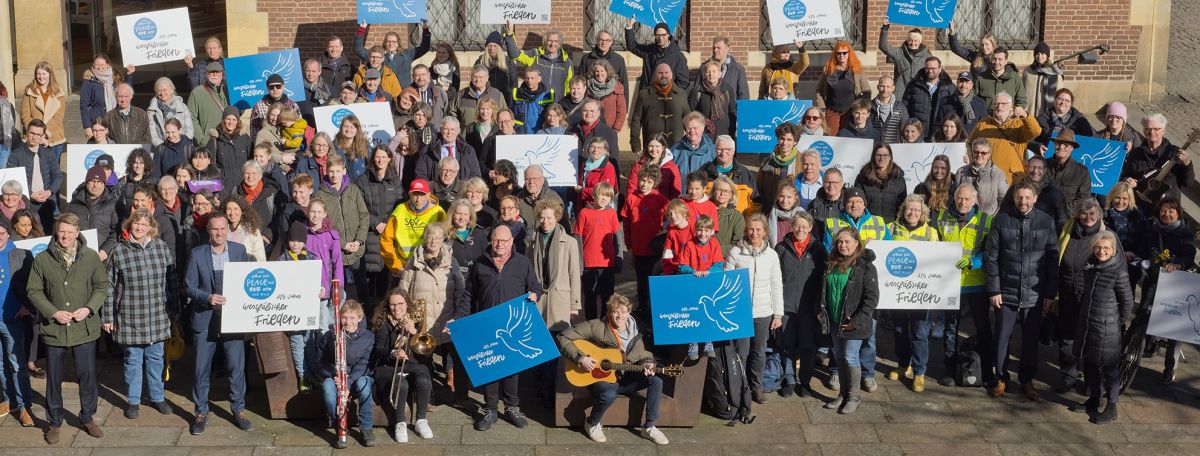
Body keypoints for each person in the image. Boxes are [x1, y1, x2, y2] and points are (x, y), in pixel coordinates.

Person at [452, 224, 543, 431]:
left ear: (511, 242)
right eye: (496, 240)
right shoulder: (480, 264)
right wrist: (458, 317)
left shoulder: (522, 263)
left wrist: (535, 295)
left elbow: (535, 286)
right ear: (491, 240)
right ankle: (490, 409)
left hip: (512, 325)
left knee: (512, 368)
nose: (500, 244)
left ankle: (512, 407)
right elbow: (468, 295)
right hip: (487, 324)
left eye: (504, 240)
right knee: (490, 368)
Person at [29, 214, 108, 444]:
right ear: (56, 232)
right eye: (61, 231)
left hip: (84, 328)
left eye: (69, 232)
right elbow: (34, 291)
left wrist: (89, 308)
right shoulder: (42, 259)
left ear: (77, 233)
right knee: (53, 378)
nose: (65, 236)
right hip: (54, 329)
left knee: (87, 375)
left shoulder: (91, 258)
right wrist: (52, 312)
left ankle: (87, 417)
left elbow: (101, 286)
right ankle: (54, 421)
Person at [557, 294, 669, 445]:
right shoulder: (597, 326)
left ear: (629, 311)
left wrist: (649, 363)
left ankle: (649, 427)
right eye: (616, 311)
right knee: (609, 394)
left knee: (656, 380)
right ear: (609, 312)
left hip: (626, 379)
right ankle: (592, 422)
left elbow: (644, 355)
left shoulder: (638, 332)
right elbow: (563, 337)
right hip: (600, 377)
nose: (620, 315)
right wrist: (581, 358)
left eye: (623, 311)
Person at [984, 181, 1059, 401]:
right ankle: (1000, 378)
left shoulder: (1046, 222)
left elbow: (1052, 260)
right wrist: (994, 289)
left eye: (1027, 197)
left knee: (1030, 340)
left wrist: (1049, 294)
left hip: (1035, 293)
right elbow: (991, 257)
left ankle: (1026, 379)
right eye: (1019, 197)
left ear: (1035, 198)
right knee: (1002, 338)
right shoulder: (1002, 219)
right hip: (1005, 290)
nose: (1023, 201)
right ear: (1014, 197)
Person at [103, 208, 176, 419]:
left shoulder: (161, 248)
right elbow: (109, 286)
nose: (140, 228)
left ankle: (157, 397)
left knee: (156, 359)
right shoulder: (118, 251)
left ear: (150, 227)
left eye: (144, 225)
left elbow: (172, 281)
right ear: (129, 225)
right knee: (133, 360)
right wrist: (108, 317)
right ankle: (133, 401)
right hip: (129, 316)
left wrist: (175, 311)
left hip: (157, 315)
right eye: (136, 223)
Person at [184, 212, 253, 435]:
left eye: (223, 229)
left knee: (236, 366)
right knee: (201, 369)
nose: (219, 233)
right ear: (209, 231)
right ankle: (201, 412)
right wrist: (207, 297)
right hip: (206, 317)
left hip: (232, 317)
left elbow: (247, 281)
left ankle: (238, 409)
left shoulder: (239, 251)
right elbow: (189, 286)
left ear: (227, 230)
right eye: (215, 229)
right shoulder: (197, 254)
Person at [1067, 231, 1133, 423]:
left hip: (1107, 327)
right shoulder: (1091, 267)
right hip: (1088, 324)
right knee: (1091, 364)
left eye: (1106, 248)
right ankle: (1094, 399)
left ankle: (1112, 406)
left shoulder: (1118, 271)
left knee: (1109, 369)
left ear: (1113, 251)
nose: (1101, 251)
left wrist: (1116, 322)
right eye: (1098, 247)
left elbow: (1127, 302)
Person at [933, 185, 995, 386]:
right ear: (954, 197)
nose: (963, 203)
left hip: (976, 283)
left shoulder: (986, 220)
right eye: (960, 198)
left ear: (975, 200)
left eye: (967, 199)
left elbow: (992, 251)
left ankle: (987, 372)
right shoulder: (941, 217)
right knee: (950, 329)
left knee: (983, 328)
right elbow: (933, 246)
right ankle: (949, 371)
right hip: (950, 284)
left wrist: (974, 261)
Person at [1132, 197, 1196, 383]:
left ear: (1178, 213)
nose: (1166, 214)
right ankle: (1138, 349)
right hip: (1153, 279)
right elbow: (1142, 249)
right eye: (1163, 210)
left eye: (1171, 211)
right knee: (1144, 314)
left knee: (1173, 328)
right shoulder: (1152, 229)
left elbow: (1189, 254)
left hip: (1176, 282)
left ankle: (1170, 368)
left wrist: (1179, 264)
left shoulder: (1185, 233)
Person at [1052, 198, 1110, 394]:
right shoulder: (1066, 231)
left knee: (1091, 340)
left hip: (1091, 298)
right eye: (1084, 214)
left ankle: (1091, 380)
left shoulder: (1107, 237)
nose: (1088, 218)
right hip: (1067, 294)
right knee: (1067, 338)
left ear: (1099, 215)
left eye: (1092, 214)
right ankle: (1067, 377)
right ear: (1077, 215)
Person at [725, 214, 785, 403]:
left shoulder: (772, 255)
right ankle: (740, 387)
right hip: (741, 313)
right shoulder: (736, 252)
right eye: (751, 229)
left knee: (759, 352)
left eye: (759, 229)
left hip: (763, 312)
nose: (754, 233)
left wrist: (778, 314)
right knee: (740, 352)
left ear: (765, 232)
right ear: (746, 230)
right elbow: (727, 282)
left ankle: (756, 386)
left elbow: (777, 285)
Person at [885, 195, 941, 392]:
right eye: (910, 209)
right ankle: (903, 364)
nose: (913, 213)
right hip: (897, 292)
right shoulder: (890, 228)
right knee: (899, 330)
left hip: (921, 293)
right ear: (903, 210)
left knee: (920, 332)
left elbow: (936, 262)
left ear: (923, 212)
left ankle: (919, 372)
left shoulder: (931, 232)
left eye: (917, 210)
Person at [821, 227, 880, 414]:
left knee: (850, 356)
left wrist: (857, 320)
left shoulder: (865, 266)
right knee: (838, 357)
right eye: (840, 242)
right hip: (834, 320)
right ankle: (843, 395)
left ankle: (854, 397)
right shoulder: (832, 263)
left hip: (853, 322)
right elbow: (825, 291)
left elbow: (872, 298)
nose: (843, 245)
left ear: (857, 243)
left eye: (847, 242)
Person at [370, 290, 435, 443]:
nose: (396, 308)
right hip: (388, 367)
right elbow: (378, 350)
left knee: (424, 375)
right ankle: (400, 423)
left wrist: (413, 332)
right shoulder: (383, 323)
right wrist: (392, 353)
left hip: (409, 365)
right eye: (392, 305)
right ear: (388, 306)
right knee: (401, 383)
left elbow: (425, 354)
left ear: (407, 305)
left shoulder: (415, 322)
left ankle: (421, 421)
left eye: (400, 304)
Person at [773, 212, 825, 398]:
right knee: (786, 346)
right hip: (785, 307)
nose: (800, 230)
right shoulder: (781, 248)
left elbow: (822, 280)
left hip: (809, 309)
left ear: (811, 228)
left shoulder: (818, 250)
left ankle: (805, 382)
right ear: (791, 226)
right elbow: (774, 278)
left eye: (804, 226)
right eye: (797, 226)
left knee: (808, 347)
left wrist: (819, 306)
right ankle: (789, 380)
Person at [318, 300, 376, 448]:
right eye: (344, 317)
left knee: (365, 386)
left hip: (358, 376)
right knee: (327, 388)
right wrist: (333, 374)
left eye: (352, 318)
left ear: (359, 318)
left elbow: (364, 364)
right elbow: (322, 362)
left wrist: (348, 382)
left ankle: (366, 428)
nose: (347, 322)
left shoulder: (368, 337)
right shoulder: (330, 335)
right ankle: (339, 425)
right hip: (336, 376)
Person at [1121, 113, 1194, 212]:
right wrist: (1127, 180)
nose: (1152, 132)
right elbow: (1125, 175)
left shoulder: (1175, 153)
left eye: (1156, 129)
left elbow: (1187, 183)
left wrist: (1187, 163)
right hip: (1140, 206)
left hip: (1167, 210)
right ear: (1143, 130)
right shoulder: (1135, 154)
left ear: (1163, 131)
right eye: (1148, 129)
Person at [0, 220, 33, 427]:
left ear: (8, 234)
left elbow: (34, 283)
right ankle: (7, 399)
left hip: (12, 318)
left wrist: (27, 304)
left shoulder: (21, 254)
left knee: (16, 364)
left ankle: (24, 406)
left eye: (2, 232)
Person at [620, 164, 667, 310]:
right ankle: (643, 311)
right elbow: (626, 225)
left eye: (649, 182)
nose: (644, 184)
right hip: (638, 249)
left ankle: (655, 313)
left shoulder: (661, 199)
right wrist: (629, 245)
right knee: (641, 284)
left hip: (656, 250)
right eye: (642, 180)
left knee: (654, 284)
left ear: (654, 183)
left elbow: (670, 222)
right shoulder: (631, 199)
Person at [967, 92, 1041, 181]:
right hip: (986, 178)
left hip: (1011, 179)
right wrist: (974, 164)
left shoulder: (1019, 124)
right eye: (996, 104)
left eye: (1004, 104)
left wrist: (1025, 115)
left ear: (1011, 106)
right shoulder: (983, 124)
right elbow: (970, 143)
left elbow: (1036, 131)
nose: (999, 107)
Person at [574, 182, 621, 322]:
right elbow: (577, 239)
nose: (604, 198)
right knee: (590, 296)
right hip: (588, 263)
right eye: (601, 194)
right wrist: (579, 263)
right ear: (594, 195)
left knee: (607, 296)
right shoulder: (584, 213)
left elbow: (618, 239)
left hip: (607, 264)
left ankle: (604, 323)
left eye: (608, 196)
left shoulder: (611, 214)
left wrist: (619, 258)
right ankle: (591, 324)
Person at [7, 119, 61, 234]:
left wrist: (49, 192)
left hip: (46, 201)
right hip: (27, 203)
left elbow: (57, 176)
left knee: (47, 233)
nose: (34, 137)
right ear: (27, 132)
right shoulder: (15, 155)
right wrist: (30, 194)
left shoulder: (48, 153)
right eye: (32, 133)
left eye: (38, 134)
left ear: (42, 136)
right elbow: (12, 182)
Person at [382, 179, 446, 274]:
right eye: (415, 194)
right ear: (409, 194)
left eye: (422, 195)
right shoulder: (400, 210)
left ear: (428, 195)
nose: (418, 199)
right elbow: (386, 240)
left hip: (429, 267)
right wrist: (396, 266)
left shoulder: (438, 212)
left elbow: (445, 240)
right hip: (403, 267)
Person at [630, 64, 690, 154]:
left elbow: (688, 120)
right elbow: (636, 121)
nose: (664, 75)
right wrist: (636, 145)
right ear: (655, 75)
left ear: (671, 74)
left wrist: (692, 142)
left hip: (676, 147)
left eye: (666, 73)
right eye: (660, 73)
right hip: (652, 148)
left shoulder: (681, 94)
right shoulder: (644, 95)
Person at [815, 41, 871, 134]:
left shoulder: (857, 70)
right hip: (832, 111)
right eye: (838, 53)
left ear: (849, 53)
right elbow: (819, 90)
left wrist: (862, 109)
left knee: (849, 137)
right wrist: (822, 108)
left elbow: (866, 91)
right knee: (831, 137)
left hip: (851, 112)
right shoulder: (828, 69)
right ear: (835, 54)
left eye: (844, 53)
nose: (842, 55)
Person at [504, 21, 574, 95]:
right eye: (549, 41)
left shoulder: (567, 63)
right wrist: (509, 35)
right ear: (545, 42)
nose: (552, 44)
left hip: (557, 104)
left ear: (560, 44)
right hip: (537, 103)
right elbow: (514, 55)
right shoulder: (535, 55)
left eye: (556, 41)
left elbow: (569, 87)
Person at [66, 165, 119, 261]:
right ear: (87, 182)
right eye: (92, 181)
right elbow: (66, 227)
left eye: (99, 182)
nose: (95, 185)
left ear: (104, 184)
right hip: (78, 256)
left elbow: (117, 231)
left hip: (103, 257)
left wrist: (105, 251)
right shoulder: (75, 203)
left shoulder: (113, 204)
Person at [355, 22, 430, 88]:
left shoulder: (407, 54)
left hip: (404, 91)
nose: (391, 44)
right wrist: (362, 28)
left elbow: (424, 48)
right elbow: (359, 50)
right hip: (385, 91)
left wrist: (425, 29)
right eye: (388, 41)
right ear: (385, 42)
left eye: (394, 42)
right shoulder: (378, 55)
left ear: (398, 43)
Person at [1003, 156, 1069, 231]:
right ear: (1026, 168)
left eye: (1040, 168)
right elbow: (1003, 213)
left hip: (1043, 236)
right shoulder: (1014, 189)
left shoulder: (1054, 193)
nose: (1035, 171)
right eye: (1032, 167)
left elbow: (1062, 220)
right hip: (1016, 234)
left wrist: (1052, 239)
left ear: (1045, 170)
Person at [80, 54, 134, 142]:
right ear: (93, 65)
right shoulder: (89, 82)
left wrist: (129, 74)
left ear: (108, 65)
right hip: (98, 123)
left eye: (102, 65)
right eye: (97, 65)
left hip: (116, 119)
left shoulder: (115, 78)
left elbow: (125, 91)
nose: (99, 67)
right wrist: (87, 127)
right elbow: (84, 106)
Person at [626, 18, 689, 90]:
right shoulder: (649, 50)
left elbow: (683, 82)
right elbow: (632, 46)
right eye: (657, 35)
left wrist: (669, 94)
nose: (660, 38)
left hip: (666, 98)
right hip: (648, 95)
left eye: (663, 35)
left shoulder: (678, 56)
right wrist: (629, 27)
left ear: (668, 35)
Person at [21, 61, 68, 157]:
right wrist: (38, 135)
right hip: (34, 137)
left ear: (50, 74)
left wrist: (45, 135)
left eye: (44, 74)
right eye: (38, 74)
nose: (41, 77)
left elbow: (58, 117)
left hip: (53, 137)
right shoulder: (29, 91)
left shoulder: (59, 92)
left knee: (54, 170)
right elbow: (25, 115)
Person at [701, 135, 758, 213]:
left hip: (739, 223)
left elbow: (755, 203)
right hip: (711, 222)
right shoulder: (704, 173)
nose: (723, 152)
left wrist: (745, 221)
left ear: (733, 151)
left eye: (727, 149)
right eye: (720, 149)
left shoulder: (745, 174)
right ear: (715, 150)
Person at [854, 144, 908, 223]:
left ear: (890, 157)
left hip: (891, 225)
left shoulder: (898, 178)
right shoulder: (863, 176)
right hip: (867, 223)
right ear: (873, 157)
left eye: (885, 155)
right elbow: (857, 201)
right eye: (878, 155)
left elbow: (903, 204)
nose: (882, 158)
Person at [954, 139, 1010, 216]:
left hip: (989, 220)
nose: (979, 155)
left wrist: (996, 219)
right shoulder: (961, 172)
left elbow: (1004, 201)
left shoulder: (998, 174)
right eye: (976, 152)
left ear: (988, 155)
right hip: (966, 219)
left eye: (983, 153)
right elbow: (955, 196)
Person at [903, 57, 953, 141]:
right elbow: (905, 107)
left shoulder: (949, 87)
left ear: (940, 69)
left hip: (940, 133)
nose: (930, 71)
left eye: (933, 68)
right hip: (917, 133)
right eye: (927, 68)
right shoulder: (913, 85)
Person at [879, 21, 931, 101]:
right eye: (910, 40)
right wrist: (885, 28)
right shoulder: (900, 53)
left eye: (915, 40)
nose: (913, 43)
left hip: (919, 95)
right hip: (900, 95)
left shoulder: (927, 57)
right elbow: (884, 46)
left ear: (920, 41)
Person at [1045, 129, 1092, 215]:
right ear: (1054, 144)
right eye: (1058, 143)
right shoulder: (1042, 166)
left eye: (1066, 145)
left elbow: (1083, 198)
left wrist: (1062, 213)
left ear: (1072, 148)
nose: (1061, 147)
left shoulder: (1082, 172)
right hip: (1042, 216)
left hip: (1067, 219)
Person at [209, 106, 253, 192]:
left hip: (242, 186)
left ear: (237, 121)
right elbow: (210, 164)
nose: (231, 122)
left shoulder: (244, 138)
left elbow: (251, 161)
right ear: (223, 120)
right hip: (223, 187)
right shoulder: (215, 139)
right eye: (228, 119)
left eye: (234, 119)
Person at [758, 123, 801, 212]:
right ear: (778, 139)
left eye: (789, 139)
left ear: (795, 142)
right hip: (771, 209)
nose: (785, 143)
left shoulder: (802, 161)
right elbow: (759, 187)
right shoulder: (767, 161)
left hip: (793, 210)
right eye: (782, 138)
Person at [689, 60, 737, 137]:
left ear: (719, 74)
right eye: (708, 72)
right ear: (704, 74)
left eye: (714, 71)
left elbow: (732, 112)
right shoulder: (697, 91)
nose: (711, 74)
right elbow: (691, 114)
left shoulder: (727, 90)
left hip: (724, 133)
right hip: (704, 134)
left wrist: (732, 131)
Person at [187, 62, 229, 148]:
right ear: (206, 74)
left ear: (222, 74)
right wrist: (202, 139)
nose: (214, 74)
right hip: (207, 143)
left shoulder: (227, 91)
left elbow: (234, 114)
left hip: (226, 142)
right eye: (211, 72)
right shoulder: (197, 93)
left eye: (217, 72)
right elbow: (191, 118)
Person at [578, 29, 630, 98]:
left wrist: (624, 107)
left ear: (610, 43)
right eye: (601, 40)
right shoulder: (586, 59)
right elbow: (581, 82)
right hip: (591, 100)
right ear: (597, 41)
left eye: (607, 40)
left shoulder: (619, 60)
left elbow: (624, 86)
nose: (603, 43)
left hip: (612, 100)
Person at [568, 100, 622, 166]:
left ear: (598, 113)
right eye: (585, 111)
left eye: (592, 111)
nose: (588, 113)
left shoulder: (609, 133)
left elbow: (614, 159)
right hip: (574, 172)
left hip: (597, 174)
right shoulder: (571, 130)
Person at [627, 134, 680, 200]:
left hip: (663, 205)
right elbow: (632, 186)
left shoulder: (671, 167)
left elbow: (675, 190)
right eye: (651, 146)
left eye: (657, 146)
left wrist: (669, 206)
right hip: (641, 203)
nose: (654, 149)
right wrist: (632, 202)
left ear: (663, 147)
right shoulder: (639, 164)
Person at [147, 78, 194, 147]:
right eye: (159, 90)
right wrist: (164, 147)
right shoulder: (152, 110)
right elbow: (152, 134)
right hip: (162, 148)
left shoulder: (182, 107)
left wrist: (181, 144)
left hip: (182, 147)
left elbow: (189, 129)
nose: (162, 93)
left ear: (171, 90)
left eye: (164, 90)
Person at [250, 74, 299, 140]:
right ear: (267, 88)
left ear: (283, 87)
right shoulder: (258, 106)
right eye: (271, 87)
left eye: (278, 86)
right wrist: (261, 143)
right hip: (267, 144)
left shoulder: (292, 105)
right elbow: (254, 129)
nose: (275, 89)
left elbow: (299, 125)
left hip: (289, 143)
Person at [508, 67, 554, 134]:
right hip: (520, 134)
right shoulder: (516, 94)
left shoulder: (547, 96)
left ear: (539, 79)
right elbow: (510, 114)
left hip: (541, 135)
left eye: (532, 78)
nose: (529, 81)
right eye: (527, 78)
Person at [1022, 43, 1063, 116]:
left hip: (1046, 114)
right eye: (1037, 54)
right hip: (1028, 113)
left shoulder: (1055, 73)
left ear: (1047, 55)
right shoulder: (1028, 71)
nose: (1040, 56)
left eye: (1042, 53)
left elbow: (1059, 95)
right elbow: (1021, 90)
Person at [477, 32, 517, 104]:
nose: (492, 48)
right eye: (490, 46)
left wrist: (513, 101)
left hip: (505, 99)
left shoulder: (508, 62)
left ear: (499, 48)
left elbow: (514, 83)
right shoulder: (480, 62)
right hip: (486, 99)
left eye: (495, 46)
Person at [587, 60, 627, 132]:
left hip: (610, 129)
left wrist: (615, 129)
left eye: (602, 71)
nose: (599, 74)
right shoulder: (588, 87)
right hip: (591, 129)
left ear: (607, 72)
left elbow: (621, 112)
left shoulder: (616, 87)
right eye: (597, 71)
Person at [222, 197, 267, 262]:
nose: (232, 213)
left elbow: (260, 257)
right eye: (229, 209)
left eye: (236, 209)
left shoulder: (252, 230)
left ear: (242, 211)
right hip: (228, 270)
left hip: (247, 270)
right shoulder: (222, 229)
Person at [113, 149, 154, 218]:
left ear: (146, 164)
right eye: (135, 163)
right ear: (131, 164)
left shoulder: (151, 183)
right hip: (125, 221)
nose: (138, 166)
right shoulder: (123, 181)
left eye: (141, 163)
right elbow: (115, 204)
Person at [871, 75, 908, 144]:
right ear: (877, 87)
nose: (885, 90)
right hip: (874, 149)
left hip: (893, 150)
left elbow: (905, 130)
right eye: (882, 86)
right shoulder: (870, 107)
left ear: (893, 88)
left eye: (888, 87)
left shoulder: (900, 108)